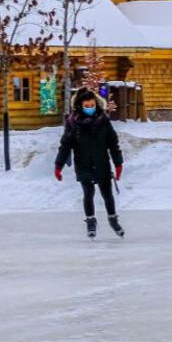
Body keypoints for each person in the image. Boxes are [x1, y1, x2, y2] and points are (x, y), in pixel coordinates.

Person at [54, 88, 125, 239]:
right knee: (88, 194)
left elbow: (113, 144)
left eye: (92, 105)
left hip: (102, 164)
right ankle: (90, 221)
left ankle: (113, 219)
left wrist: (118, 163)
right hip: (83, 164)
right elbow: (65, 145)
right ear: (80, 106)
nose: (90, 108)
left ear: (96, 104)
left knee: (107, 194)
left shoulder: (103, 121)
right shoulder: (73, 123)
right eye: (86, 106)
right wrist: (58, 166)